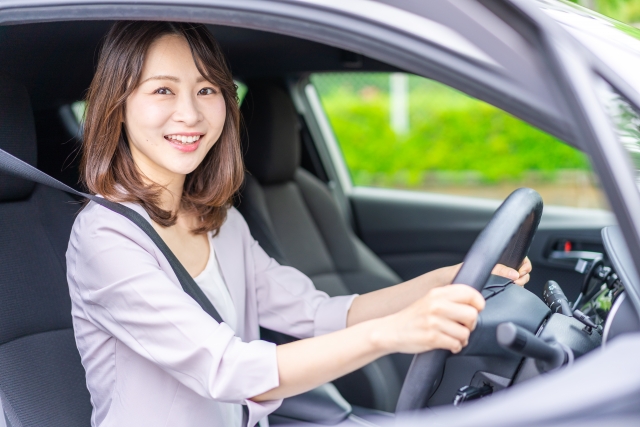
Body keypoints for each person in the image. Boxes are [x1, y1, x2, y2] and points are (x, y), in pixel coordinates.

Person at [66, 21, 532, 427]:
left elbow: (315, 314)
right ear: (118, 105)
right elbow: (227, 369)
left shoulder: (217, 222)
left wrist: (443, 281)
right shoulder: (106, 238)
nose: (189, 113)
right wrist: (392, 333)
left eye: (207, 89)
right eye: (163, 89)